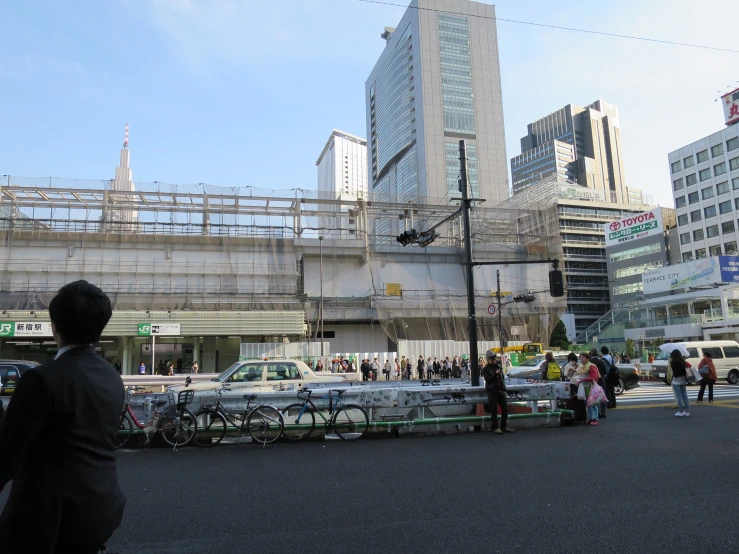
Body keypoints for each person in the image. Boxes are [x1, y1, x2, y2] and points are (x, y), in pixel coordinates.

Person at [0, 280, 126, 553]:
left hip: (46, 523)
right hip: (101, 509)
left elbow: (6, 456)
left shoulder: (41, 380)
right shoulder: (112, 377)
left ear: (54, 325)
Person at [482, 350, 514, 434]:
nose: (493, 360)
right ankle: (495, 427)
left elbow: (502, 379)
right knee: (494, 410)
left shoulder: (498, 366)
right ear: (488, 360)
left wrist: (504, 387)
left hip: (501, 390)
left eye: (494, 358)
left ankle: (503, 426)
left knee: (505, 409)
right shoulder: (485, 369)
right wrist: (495, 374)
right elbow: (487, 380)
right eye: (492, 359)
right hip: (492, 391)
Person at [577, 352, 601, 425]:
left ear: (587, 358)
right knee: (588, 404)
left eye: (583, 357)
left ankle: (595, 419)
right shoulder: (582, 367)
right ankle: (591, 417)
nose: (581, 359)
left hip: (591, 387)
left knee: (593, 403)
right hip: (584, 387)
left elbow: (594, 378)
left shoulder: (591, 366)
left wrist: (583, 380)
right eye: (580, 358)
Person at [669, 349, 690, 416]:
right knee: (685, 395)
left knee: (679, 396)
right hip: (683, 380)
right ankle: (687, 411)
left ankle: (681, 411)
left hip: (676, 381)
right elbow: (689, 366)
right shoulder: (683, 362)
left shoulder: (672, 363)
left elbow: (674, 372)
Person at [589, 349, 607, 419]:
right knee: (602, 397)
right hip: (601, 381)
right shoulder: (602, 361)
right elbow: (605, 371)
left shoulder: (590, 363)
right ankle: (603, 413)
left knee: (594, 398)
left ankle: (596, 413)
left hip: (593, 382)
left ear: (591, 355)